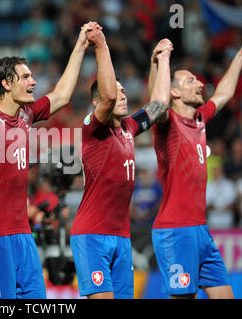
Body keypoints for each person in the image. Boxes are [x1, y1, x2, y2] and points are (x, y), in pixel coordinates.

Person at [0, 22, 97, 299]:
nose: (33, 82)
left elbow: (62, 95)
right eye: (26, 77)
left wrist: (81, 46)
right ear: (7, 84)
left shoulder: (27, 115)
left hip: (23, 234)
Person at [148, 33, 242, 299]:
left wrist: (241, 54)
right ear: (174, 91)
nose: (200, 83)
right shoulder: (166, 123)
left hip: (200, 230)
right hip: (175, 230)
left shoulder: (198, 119)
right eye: (191, 80)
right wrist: (162, 61)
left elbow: (225, 93)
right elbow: (156, 102)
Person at [69, 30, 172, 299]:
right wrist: (102, 46)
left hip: (122, 236)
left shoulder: (129, 127)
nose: (122, 95)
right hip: (92, 234)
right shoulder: (92, 129)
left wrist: (162, 61)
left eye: (125, 91)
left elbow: (160, 105)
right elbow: (108, 98)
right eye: (118, 91)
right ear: (97, 102)